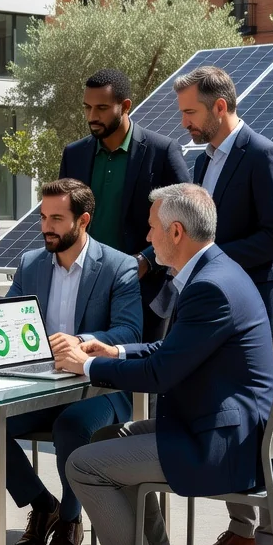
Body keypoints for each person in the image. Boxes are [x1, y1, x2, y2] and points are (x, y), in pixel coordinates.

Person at [56, 183, 273, 545]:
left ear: (176, 232)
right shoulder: (219, 272)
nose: (147, 234)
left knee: (83, 464)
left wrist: (89, 366)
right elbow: (175, 350)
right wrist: (115, 353)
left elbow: (162, 374)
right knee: (105, 441)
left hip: (218, 445)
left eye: (153, 226)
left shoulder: (209, 287)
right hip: (220, 429)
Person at [167, 65, 273, 545]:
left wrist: (213, 258)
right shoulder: (203, 163)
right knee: (228, 418)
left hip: (263, 313)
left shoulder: (264, 155)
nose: (184, 123)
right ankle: (241, 530)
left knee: (269, 425)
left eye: (190, 112)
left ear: (219, 107)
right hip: (219, 315)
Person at [0, 179, 142, 545]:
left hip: (99, 389)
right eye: (44, 217)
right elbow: (7, 319)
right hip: (40, 385)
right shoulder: (30, 264)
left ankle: (69, 517)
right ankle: (41, 503)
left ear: (84, 220)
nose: (46, 226)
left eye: (57, 218)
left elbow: (130, 331)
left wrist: (80, 340)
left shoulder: (119, 266)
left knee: (71, 426)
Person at [59, 68, 189, 343]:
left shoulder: (162, 151)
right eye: (87, 107)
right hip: (86, 290)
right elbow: (63, 217)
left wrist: (145, 260)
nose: (92, 116)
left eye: (102, 108)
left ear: (125, 106)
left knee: (140, 380)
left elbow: (185, 220)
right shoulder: (74, 154)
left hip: (143, 293)